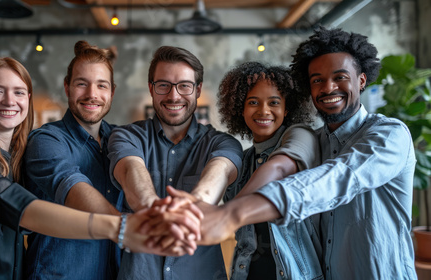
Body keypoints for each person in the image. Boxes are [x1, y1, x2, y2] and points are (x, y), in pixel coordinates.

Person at [165, 26, 417, 279]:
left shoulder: (389, 134)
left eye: (340, 77)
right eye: (317, 80)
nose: (328, 88)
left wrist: (231, 214)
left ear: (361, 79)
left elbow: (339, 177)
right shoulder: (320, 142)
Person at [0, 57, 201, 280]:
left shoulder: (15, 156)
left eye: (19, 92)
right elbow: (18, 204)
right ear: (67, 87)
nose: (9, 101)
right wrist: (121, 228)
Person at [108, 46, 243, 280]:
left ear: (198, 89)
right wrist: (158, 210)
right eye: (163, 85)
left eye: (184, 85)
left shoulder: (222, 143)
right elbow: (131, 171)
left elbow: (220, 172)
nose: (173, 96)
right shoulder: (126, 136)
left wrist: (194, 203)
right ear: (151, 88)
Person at [22, 40, 125, 279]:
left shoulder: (120, 141)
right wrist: (126, 228)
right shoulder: (45, 140)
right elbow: (70, 184)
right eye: (82, 84)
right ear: (67, 87)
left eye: (101, 85)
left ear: (112, 92)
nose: (92, 94)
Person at [218, 62, 322, 279]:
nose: (263, 111)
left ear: (287, 109)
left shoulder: (301, 135)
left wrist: (225, 215)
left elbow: (278, 167)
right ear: (241, 109)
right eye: (253, 102)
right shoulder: (243, 160)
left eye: (274, 102)